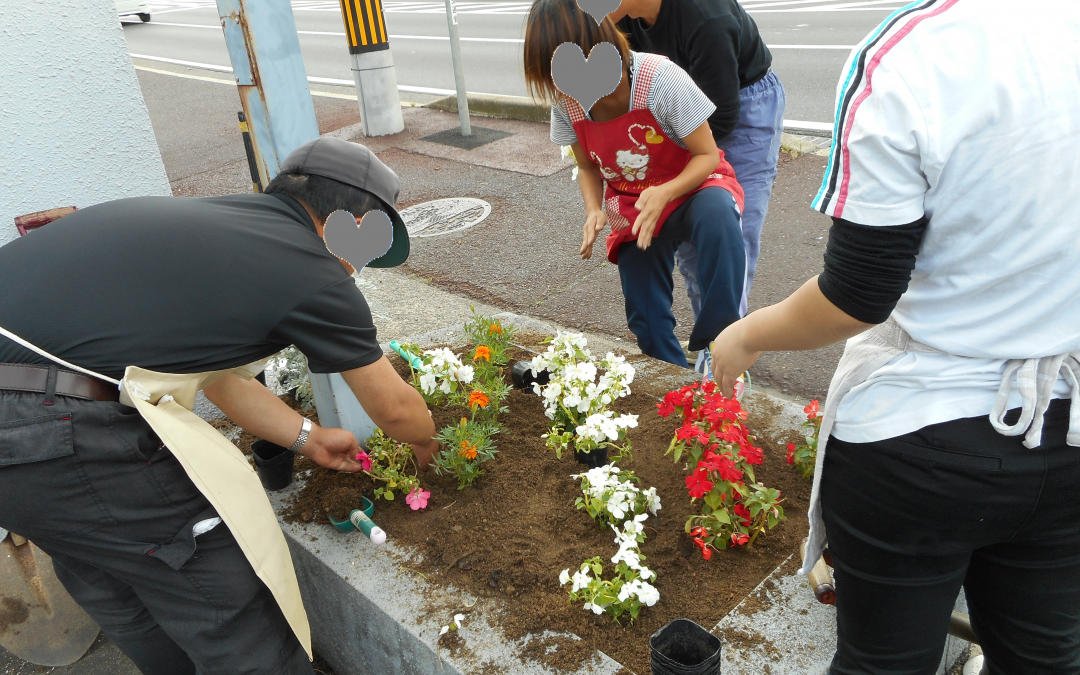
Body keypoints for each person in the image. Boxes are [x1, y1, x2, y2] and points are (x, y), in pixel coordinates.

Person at [709, 1, 1080, 672]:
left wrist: (743, 335)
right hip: (1066, 424)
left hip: (922, 440)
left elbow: (857, 296)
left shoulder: (911, 54)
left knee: (886, 662)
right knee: (1045, 657)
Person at [0, 137, 439, 675]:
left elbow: (215, 378)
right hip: (53, 422)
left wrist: (309, 437)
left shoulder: (221, 230)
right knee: (222, 599)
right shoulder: (309, 264)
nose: (357, 268)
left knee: (118, 581)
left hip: (26, 451)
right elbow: (393, 408)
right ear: (345, 221)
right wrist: (428, 445)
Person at [524, 0, 746, 367]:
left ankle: (721, 339)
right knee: (645, 316)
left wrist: (667, 191)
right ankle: (670, 380)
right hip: (634, 205)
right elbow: (587, 167)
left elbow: (707, 156)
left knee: (719, 218)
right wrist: (594, 210)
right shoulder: (567, 103)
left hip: (693, 189)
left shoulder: (660, 79)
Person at [612, 0, 785, 367]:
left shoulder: (705, 16)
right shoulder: (620, 20)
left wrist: (670, 174)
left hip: (738, 107)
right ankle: (716, 345)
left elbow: (719, 120)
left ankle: (723, 366)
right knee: (692, 252)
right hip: (675, 114)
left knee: (731, 231)